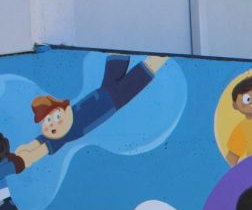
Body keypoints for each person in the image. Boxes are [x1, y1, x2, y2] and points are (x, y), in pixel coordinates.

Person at [14, 54, 167, 168]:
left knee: (122, 56)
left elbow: (40, 146)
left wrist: (27, 154)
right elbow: (42, 145)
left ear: (66, 109)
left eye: (53, 118)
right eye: (47, 122)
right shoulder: (63, 135)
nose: (52, 125)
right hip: (115, 99)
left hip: (106, 89)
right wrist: (27, 153)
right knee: (145, 69)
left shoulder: (67, 120)